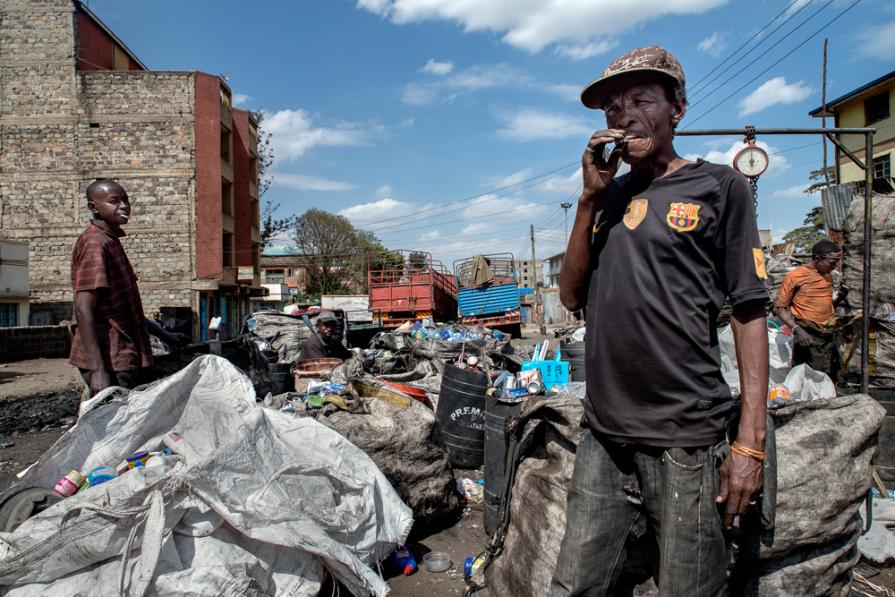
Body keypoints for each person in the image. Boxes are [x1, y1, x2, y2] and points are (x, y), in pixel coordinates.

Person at [551, 46, 770, 596]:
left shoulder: (720, 187)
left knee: (686, 588)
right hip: (604, 434)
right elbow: (571, 295)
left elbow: (749, 311)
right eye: (612, 108)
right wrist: (588, 200)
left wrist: (750, 442)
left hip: (684, 439)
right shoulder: (607, 196)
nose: (623, 117)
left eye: (641, 101)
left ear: (678, 109)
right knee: (574, 585)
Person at [70, 179, 189, 397]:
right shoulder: (96, 244)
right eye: (114, 201)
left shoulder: (111, 241)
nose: (124, 206)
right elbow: (82, 309)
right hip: (110, 358)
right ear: (93, 207)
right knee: (118, 415)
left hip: (124, 353)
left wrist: (166, 336)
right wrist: (98, 371)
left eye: (125, 200)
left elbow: (127, 310)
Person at [775, 240, 843, 378]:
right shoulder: (795, 276)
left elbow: (825, 305)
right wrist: (797, 329)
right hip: (808, 334)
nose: (835, 266)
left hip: (828, 334)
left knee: (828, 375)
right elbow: (780, 309)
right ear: (818, 258)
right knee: (809, 377)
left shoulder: (827, 275)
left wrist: (840, 298)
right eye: (832, 262)